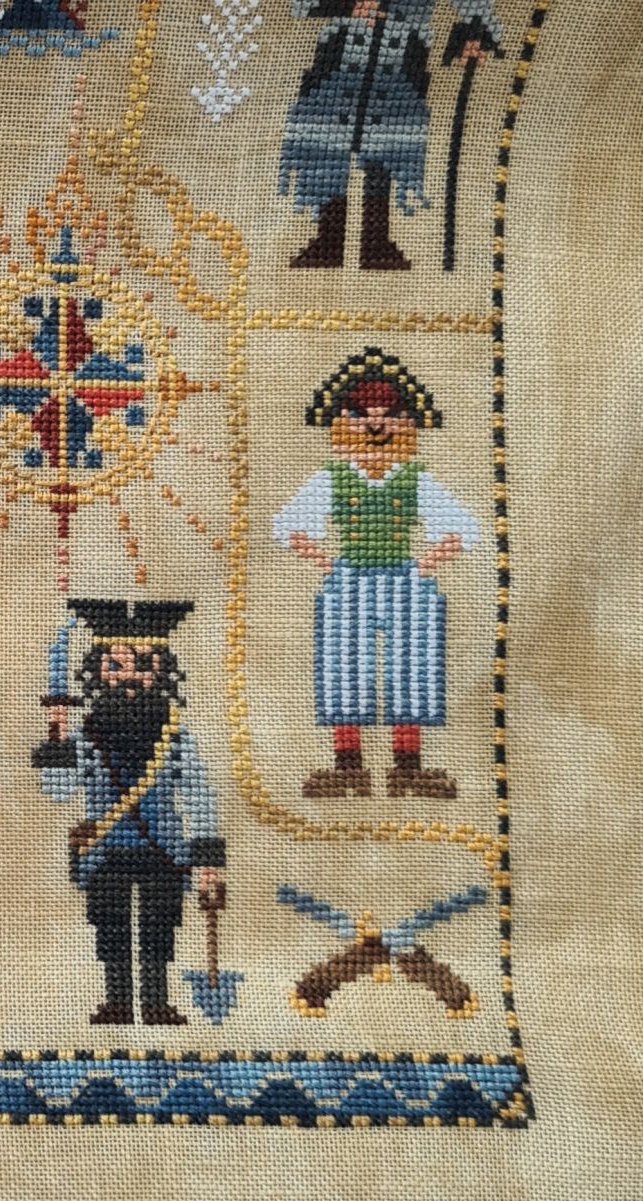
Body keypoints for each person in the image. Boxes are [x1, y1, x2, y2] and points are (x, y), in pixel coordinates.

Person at [272, 349, 478, 799]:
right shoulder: (333, 478)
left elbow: (463, 528)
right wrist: (329, 563)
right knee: (344, 665)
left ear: (408, 425)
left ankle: (408, 765)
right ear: (341, 424)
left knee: (413, 665)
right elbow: (288, 526)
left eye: (390, 416)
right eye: (362, 416)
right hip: (350, 582)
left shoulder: (414, 478)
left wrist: (423, 565)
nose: (375, 426)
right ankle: (349, 766)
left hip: (405, 581)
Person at [34, 599, 224, 1026]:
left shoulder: (174, 736)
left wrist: (207, 858)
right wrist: (56, 740)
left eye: (142, 665)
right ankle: (117, 1001)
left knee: (160, 928)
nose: (130, 677)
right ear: (99, 671)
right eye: (116, 667)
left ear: (161, 670)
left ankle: (156, 1001)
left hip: (164, 850)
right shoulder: (87, 736)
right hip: (106, 851)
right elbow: (58, 792)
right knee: (110, 927)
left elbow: (198, 794)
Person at [277, 0, 499, 270]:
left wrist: (474, 32)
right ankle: (328, 240)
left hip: (401, 64)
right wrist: (348, 6)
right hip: (339, 62)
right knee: (326, 151)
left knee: (387, 152)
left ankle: (376, 240)